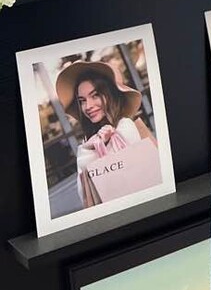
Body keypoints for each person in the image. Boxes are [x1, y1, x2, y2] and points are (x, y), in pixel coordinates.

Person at [54, 58, 157, 207]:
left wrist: (95, 149)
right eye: (82, 100)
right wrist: (93, 146)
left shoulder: (124, 126)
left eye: (95, 95)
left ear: (109, 95)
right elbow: (86, 193)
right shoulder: (89, 139)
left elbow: (123, 180)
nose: (88, 106)